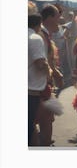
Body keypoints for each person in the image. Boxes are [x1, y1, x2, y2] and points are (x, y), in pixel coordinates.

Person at [36, 4, 64, 146]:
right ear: (50, 18)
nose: (60, 20)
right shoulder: (40, 35)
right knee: (45, 119)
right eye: (58, 17)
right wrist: (54, 74)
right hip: (39, 84)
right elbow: (42, 62)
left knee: (45, 118)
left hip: (43, 83)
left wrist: (55, 72)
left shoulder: (44, 34)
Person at [28, 13, 50, 146]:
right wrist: (50, 74)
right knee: (28, 125)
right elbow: (40, 63)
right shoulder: (35, 38)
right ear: (38, 25)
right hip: (31, 89)